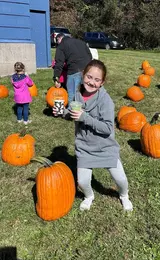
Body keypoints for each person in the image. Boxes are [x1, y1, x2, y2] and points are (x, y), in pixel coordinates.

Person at [53, 59, 133, 212]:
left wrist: (85, 117)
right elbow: (73, 115)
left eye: (97, 80)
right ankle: (89, 196)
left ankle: (124, 195)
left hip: (105, 147)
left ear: (102, 83)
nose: (92, 82)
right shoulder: (77, 95)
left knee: (120, 179)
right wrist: (62, 112)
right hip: (85, 146)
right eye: (89, 77)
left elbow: (108, 128)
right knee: (82, 182)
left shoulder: (105, 101)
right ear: (83, 75)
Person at [53, 33, 92, 104]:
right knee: (85, 93)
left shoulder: (61, 45)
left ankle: (71, 112)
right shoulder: (81, 42)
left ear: (59, 39)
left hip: (74, 70)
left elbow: (59, 63)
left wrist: (56, 77)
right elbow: (89, 55)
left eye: (57, 42)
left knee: (72, 95)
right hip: (87, 70)